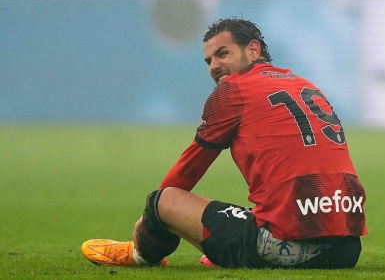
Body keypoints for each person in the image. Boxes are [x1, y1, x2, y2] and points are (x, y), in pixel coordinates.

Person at [81, 17, 368, 269]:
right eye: (209, 61)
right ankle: (234, 246)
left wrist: (151, 220)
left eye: (222, 54)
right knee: (262, 205)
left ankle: (141, 256)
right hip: (346, 248)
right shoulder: (303, 83)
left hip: (284, 246)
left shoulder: (233, 89)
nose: (215, 66)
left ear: (253, 49)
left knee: (163, 200)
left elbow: (189, 169)